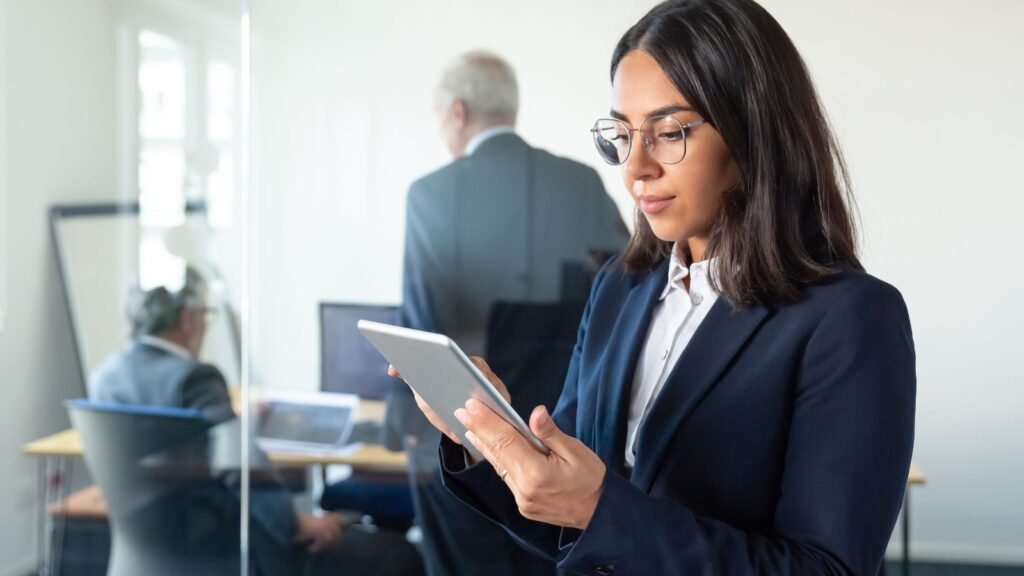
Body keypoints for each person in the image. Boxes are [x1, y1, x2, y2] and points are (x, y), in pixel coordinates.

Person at [400, 1, 917, 574]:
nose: (635, 167)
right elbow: (564, 525)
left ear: (751, 133)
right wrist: (489, 441)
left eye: (668, 132)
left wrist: (601, 510)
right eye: (623, 134)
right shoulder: (619, 291)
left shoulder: (850, 318)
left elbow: (827, 568)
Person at [384, 51, 629, 575]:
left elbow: (421, 321)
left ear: (456, 111)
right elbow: (625, 298)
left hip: (463, 443)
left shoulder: (430, 196)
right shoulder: (582, 182)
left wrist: (397, 425)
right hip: (564, 447)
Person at [90, 265, 422, 576]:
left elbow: (170, 443)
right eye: (206, 314)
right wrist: (294, 524)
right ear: (187, 318)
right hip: (231, 551)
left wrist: (231, 421)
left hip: (149, 551)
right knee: (403, 554)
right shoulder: (195, 378)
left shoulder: (106, 375)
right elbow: (239, 466)